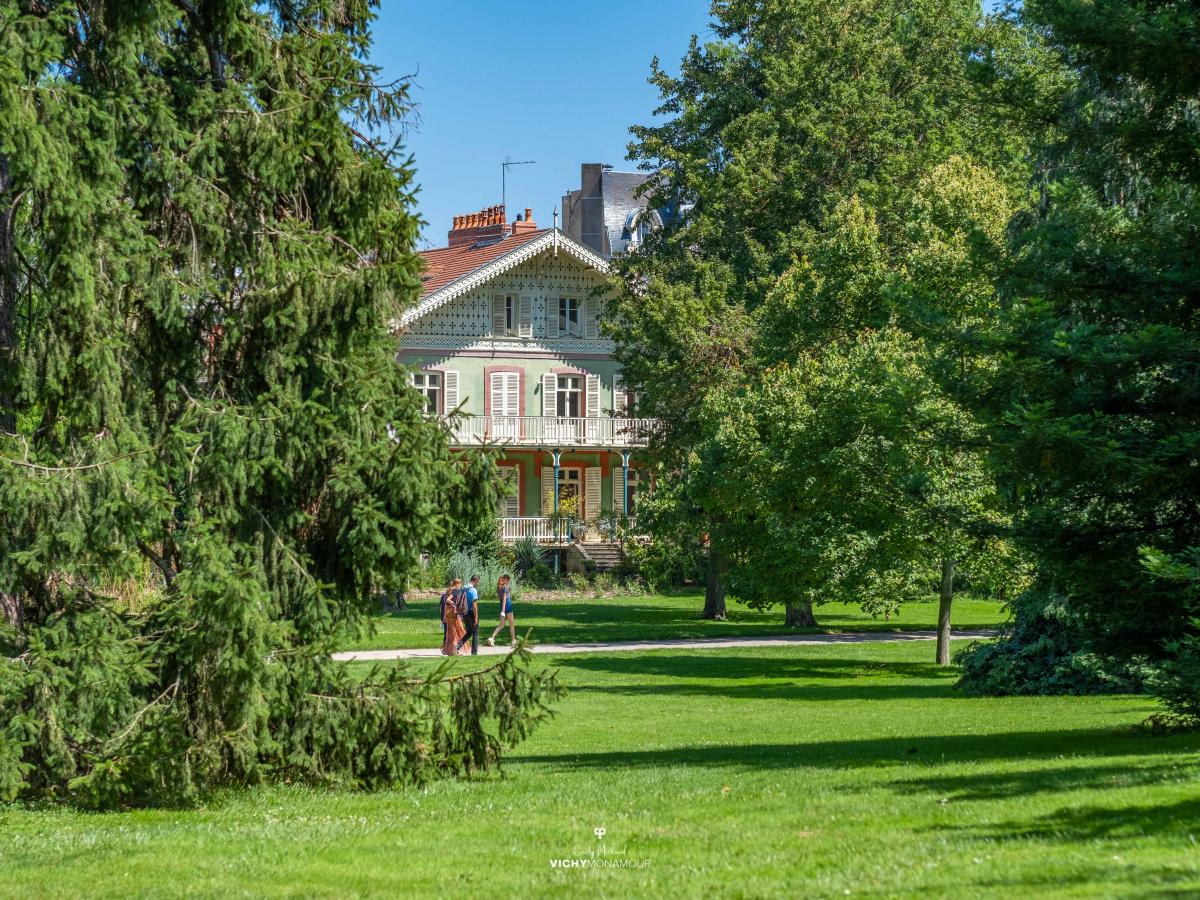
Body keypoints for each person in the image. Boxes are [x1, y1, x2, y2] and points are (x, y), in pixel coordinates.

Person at [486, 574, 516, 647]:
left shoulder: (499, 588)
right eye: (508, 580)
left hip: (501, 604)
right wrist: (503, 610)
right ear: (506, 580)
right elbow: (505, 599)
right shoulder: (506, 587)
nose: (509, 582)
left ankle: (491, 638)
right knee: (511, 624)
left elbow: (501, 599)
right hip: (507, 605)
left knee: (501, 625)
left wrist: (502, 610)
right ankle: (513, 641)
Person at [456, 575, 480, 655]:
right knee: (475, 632)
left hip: (464, 613)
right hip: (471, 613)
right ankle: (474, 652)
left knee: (469, 632)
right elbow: (474, 604)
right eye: (478, 581)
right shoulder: (473, 590)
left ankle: (458, 646)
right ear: (475, 581)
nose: (478, 583)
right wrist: (476, 617)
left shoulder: (463, 588)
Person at [441, 578, 465, 656]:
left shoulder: (449, 590)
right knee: (457, 632)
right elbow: (448, 600)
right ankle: (454, 651)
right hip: (453, 613)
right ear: (458, 584)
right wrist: (455, 604)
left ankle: (448, 651)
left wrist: (444, 615)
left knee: (451, 633)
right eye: (461, 584)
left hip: (448, 613)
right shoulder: (456, 590)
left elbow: (444, 603)